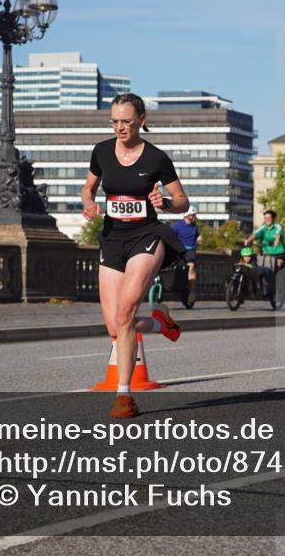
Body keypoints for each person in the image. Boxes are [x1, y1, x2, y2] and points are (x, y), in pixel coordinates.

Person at [82, 93, 188, 419]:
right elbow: (89, 187)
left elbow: (182, 201)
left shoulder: (156, 158)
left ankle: (124, 395)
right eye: (114, 121)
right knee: (115, 326)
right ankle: (159, 322)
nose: (119, 128)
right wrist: (87, 202)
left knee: (126, 312)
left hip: (147, 237)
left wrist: (166, 204)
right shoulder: (101, 151)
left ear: (141, 120)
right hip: (113, 239)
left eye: (126, 121)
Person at [245, 209, 285, 278]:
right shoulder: (263, 227)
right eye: (265, 218)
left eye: (269, 218)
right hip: (267, 255)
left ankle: (279, 282)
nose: (267, 219)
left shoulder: (277, 226)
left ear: (273, 218)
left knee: (278, 264)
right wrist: (248, 240)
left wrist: (276, 240)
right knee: (260, 267)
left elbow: (278, 234)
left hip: (279, 254)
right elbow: (255, 234)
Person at [171, 206, 203, 299]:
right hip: (179, 250)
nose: (195, 217)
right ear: (189, 216)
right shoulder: (177, 226)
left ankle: (192, 291)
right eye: (194, 215)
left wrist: (199, 239)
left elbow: (197, 237)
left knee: (191, 266)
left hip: (190, 251)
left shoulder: (194, 227)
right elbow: (171, 237)